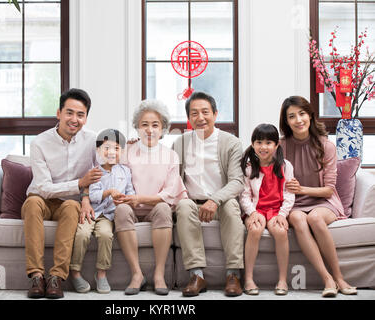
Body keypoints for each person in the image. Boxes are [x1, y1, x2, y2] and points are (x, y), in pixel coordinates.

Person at [21, 88, 102, 299]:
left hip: (70, 203)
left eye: (80, 115)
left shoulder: (93, 140)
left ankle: (56, 277)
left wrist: (85, 196)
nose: (74, 119)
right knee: (32, 204)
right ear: (59, 113)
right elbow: (45, 189)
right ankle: (37, 276)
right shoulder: (39, 143)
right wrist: (80, 183)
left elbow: (104, 172)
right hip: (41, 199)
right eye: (69, 112)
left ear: (86, 118)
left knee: (70, 207)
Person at [279, 96, 357, 297]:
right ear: (286, 122)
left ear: (311, 115)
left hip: (324, 202)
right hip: (295, 204)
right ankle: (327, 279)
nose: (298, 120)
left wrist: (301, 189)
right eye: (292, 116)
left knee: (314, 217)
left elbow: (329, 190)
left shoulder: (326, 145)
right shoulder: (282, 147)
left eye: (302, 114)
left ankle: (339, 277)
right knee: (297, 218)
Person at [173, 91, 245, 297]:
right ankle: (197, 276)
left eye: (205, 112)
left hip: (221, 202)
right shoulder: (180, 142)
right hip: (193, 202)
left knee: (232, 206)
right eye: (194, 113)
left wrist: (215, 199)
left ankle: (233, 275)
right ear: (188, 118)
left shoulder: (230, 142)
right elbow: (173, 176)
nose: (200, 117)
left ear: (215, 114)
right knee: (183, 205)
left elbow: (237, 181)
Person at [114, 99, 188, 296]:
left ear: (163, 128)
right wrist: (130, 199)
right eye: (144, 125)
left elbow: (169, 194)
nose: (149, 130)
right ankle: (137, 274)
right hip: (129, 208)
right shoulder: (126, 152)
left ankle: (159, 274)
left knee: (164, 208)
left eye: (155, 125)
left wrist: (140, 198)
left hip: (155, 209)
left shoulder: (170, 156)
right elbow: (118, 183)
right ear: (137, 128)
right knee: (121, 210)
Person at [69, 129, 135, 294]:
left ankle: (101, 273)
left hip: (108, 217)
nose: (111, 152)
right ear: (98, 151)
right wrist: (108, 192)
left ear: (122, 152)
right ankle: (75, 272)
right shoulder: (95, 171)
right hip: (92, 213)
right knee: (82, 234)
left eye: (116, 148)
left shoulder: (125, 171)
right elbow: (92, 194)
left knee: (106, 235)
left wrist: (126, 199)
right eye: (106, 148)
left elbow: (130, 191)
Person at [239, 123, 294, 296]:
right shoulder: (248, 167)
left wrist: (283, 214)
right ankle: (248, 278)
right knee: (255, 229)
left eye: (269, 143)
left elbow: (289, 193)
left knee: (280, 231)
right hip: (255, 209)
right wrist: (252, 212)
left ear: (277, 145)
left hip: (276, 210)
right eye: (259, 142)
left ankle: (283, 280)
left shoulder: (285, 166)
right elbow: (244, 196)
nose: (263, 147)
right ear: (253, 144)